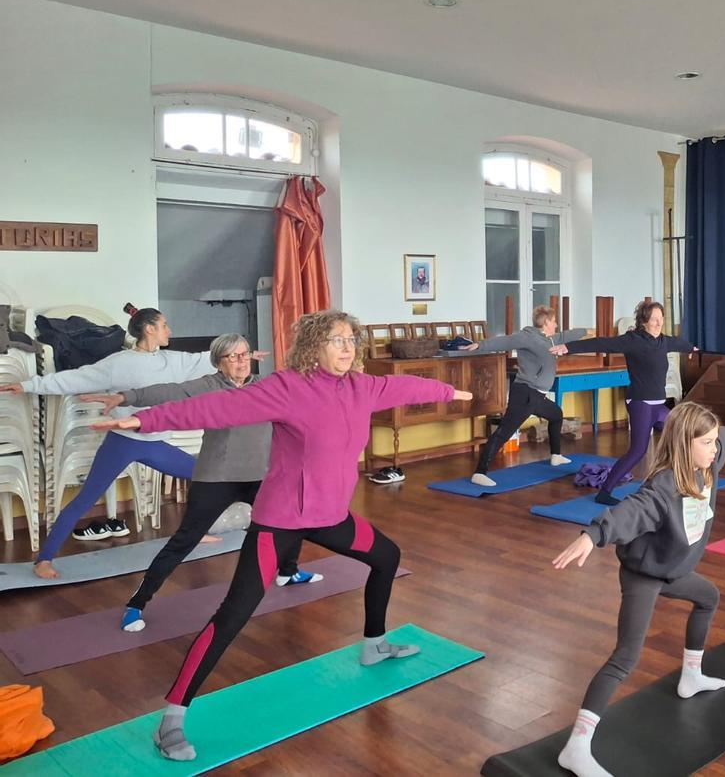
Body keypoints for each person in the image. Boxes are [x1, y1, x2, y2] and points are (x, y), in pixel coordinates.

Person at [91, 309, 472, 761]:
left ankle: (374, 645)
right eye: (336, 340)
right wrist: (145, 420)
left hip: (329, 516)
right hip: (281, 522)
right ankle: (172, 718)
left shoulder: (362, 386)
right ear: (314, 346)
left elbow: (406, 386)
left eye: (351, 339)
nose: (348, 348)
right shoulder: (288, 387)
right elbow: (218, 407)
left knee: (386, 557)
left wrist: (450, 390)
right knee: (233, 615)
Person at [80, 333, 320, 633]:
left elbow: (304, 389)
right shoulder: (208, 386)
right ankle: (137, 603)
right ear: (219, 362)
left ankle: (288, 571)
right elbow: (169, 391)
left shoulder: (264, 386)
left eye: (245, 354)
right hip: (215, 477)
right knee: (185, 540)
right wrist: (125, 397)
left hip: (259, 474)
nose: (241, 361)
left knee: (290, 520)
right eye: (233, 356)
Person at [552, 402, 725, 777]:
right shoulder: (665, 485)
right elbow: (632, 510)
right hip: (643, 575)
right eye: (705, 443)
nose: (713, 450)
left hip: (674, 570)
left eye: (713, 443)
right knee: (626, 656)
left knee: (709, 596)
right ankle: (575, 747)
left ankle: (691, 676)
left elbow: (722, 437)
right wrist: (594, 534)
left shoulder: (710, 467)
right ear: (685, 445)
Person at [0, 307, 253, 578]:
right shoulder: (118, 363)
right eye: (165, 325)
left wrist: (240, 358)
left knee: (204, 475)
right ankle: (44, 560)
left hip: (155, 444)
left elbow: (206, 360)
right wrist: (28, 385)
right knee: (85, 499)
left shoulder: (171, 360)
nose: (170, 331)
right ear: (149, 329)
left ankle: (195, 532)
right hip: (123, 443)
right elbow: (74, 379)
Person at [550, 299, 696, 505]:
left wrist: (691, 348)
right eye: (654, 319)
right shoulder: (633, 340)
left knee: (681, 435)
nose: (659, 323)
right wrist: (568, 347)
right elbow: (601, 343)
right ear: (644, 321)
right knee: (638, 451)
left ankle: (679, 485)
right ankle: (605, 492)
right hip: (640, 403)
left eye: (661, 319)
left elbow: (680, 343)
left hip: (658, 406)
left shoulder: (663, 341)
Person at [456, 305, 587, 486]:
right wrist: (481, 345)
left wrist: (587, 331)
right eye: (554, 321)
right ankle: (479, 472)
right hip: (525, 394)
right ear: (547, 322)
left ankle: (556, 455)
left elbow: (566, 336)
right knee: (504, 432)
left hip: (537, 396)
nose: (556, 325)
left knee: (556, 414)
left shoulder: (550, 340)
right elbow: (506, 341)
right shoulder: (527, 337)